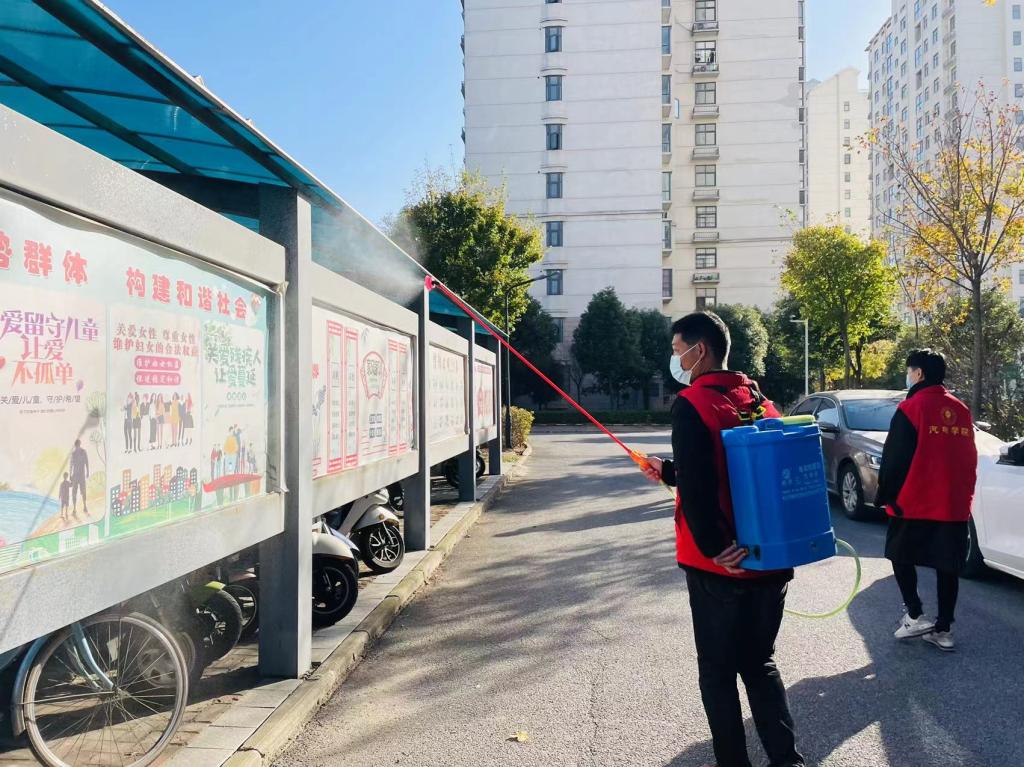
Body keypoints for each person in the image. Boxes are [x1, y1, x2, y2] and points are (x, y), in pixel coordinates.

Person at [641, 311, 804, 767]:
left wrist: (715, 548)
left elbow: (699, 488)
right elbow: (736, 469)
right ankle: (787, 761)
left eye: (678, 351)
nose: (676, 361)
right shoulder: (760, 402)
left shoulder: (693, 403)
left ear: (700, 350)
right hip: (769, 560)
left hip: (720, 567)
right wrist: (669, 471)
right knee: (760, 664)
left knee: (717, 673)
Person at [875, 349, 978, 652]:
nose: (907, 376)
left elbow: (895, 459)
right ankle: (944, 629)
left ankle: (915, 614)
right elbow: (968, 459)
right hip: (952, 504)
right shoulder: (961, 410)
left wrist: (886, 495)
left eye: (909, 371)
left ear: (918, 373)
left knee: (899, 554)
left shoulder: (911, 408)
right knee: (948, 566)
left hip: (914, 501)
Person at [69, 439, 89, 517]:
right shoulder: (83, 452)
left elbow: (71, 465)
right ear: (79, 444)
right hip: (80, 475)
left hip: (76, 475)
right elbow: (86, 462)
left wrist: (70, 475)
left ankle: (75, 509)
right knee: (82, 491)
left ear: (75, 445)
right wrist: (88, 472)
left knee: (75, 492)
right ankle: (84, 507)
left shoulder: (74, 453)